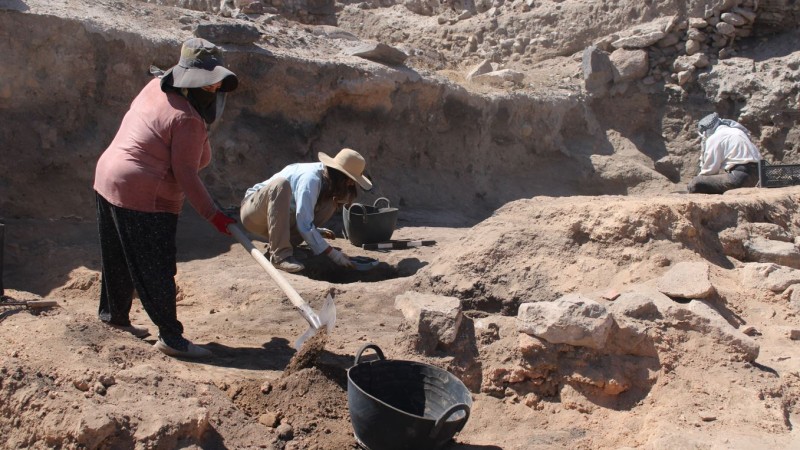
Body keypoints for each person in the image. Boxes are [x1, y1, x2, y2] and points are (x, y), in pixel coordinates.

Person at [93, 38, 238, 359]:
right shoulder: (188, 119)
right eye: (210, 86)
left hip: (107, 177)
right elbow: (189, 173)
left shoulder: (156, 86)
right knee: (155, 265)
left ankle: (114, 318)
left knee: (118, 256)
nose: (213, 92)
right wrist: (214, 215)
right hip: (143, 192)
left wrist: (202, 133)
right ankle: (171, 337)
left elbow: (196, 158)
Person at [240, 148, 372, 273]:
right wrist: (333, 254)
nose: (350, 185)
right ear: (341, 175)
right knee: (280, 184)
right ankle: (280, 256)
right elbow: (303, 222)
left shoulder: (325, 179)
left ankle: (289, 246)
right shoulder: (311, 179)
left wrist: (316, 231)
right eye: (350, 180)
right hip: (254, 214)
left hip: (277, 219)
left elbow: (302, 215)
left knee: (331, 202)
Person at [687, 113, 762, 194]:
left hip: (741, 177)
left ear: (705, 131)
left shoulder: (714, 138)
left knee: (695, 183)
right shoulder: (737, 131)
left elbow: (709, 171)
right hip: (759, 176)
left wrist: (699, 179)